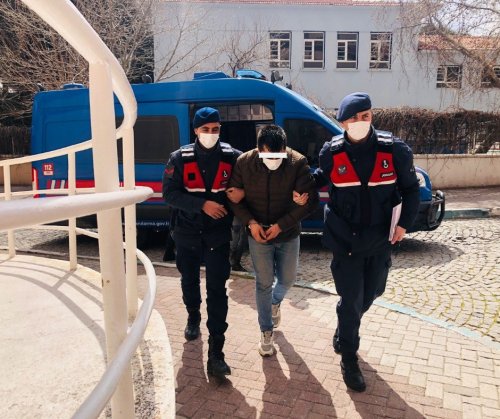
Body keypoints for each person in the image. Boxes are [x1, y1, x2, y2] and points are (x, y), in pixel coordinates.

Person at [315, 92, 420, 392]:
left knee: (372, 292)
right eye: (353, 118)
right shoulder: (331, 152)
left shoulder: (394, 149)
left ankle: (344, 325)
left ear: (372, 116)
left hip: (379, 237)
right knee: (351, 300)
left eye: (365, 116)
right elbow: (322, 177)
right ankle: (349, 358)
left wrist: (403, 225)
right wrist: (301, 187)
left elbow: (411, 190)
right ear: (343, 123)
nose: (360, 122)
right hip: (344, 239)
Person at [162, 107, 241, 378]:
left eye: (215, 129)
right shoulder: (179, 158)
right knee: (189, 280)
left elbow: (245, 186)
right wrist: (202, 205)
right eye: (205, 129)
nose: (211, 133)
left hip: (218, 236)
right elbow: (169, 194)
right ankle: (193, 315)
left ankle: (216, 353)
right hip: (186, 233)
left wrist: (240, 195)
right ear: (196, 130)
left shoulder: (233, 157)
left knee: (217, 290)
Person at [227, 124, 319, 357]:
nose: (274, 160)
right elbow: (233, 198)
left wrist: (281, 225)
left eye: (279, 155)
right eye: (269, 155)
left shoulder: (297, 162)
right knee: (263, 283)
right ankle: (265, 331)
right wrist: (251, 223)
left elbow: (311, 202)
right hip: (258, 233)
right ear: (259, 150)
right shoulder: (245, 162)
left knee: (288, 279)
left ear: (285, 148)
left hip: (287, 233)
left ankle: (275, 302)